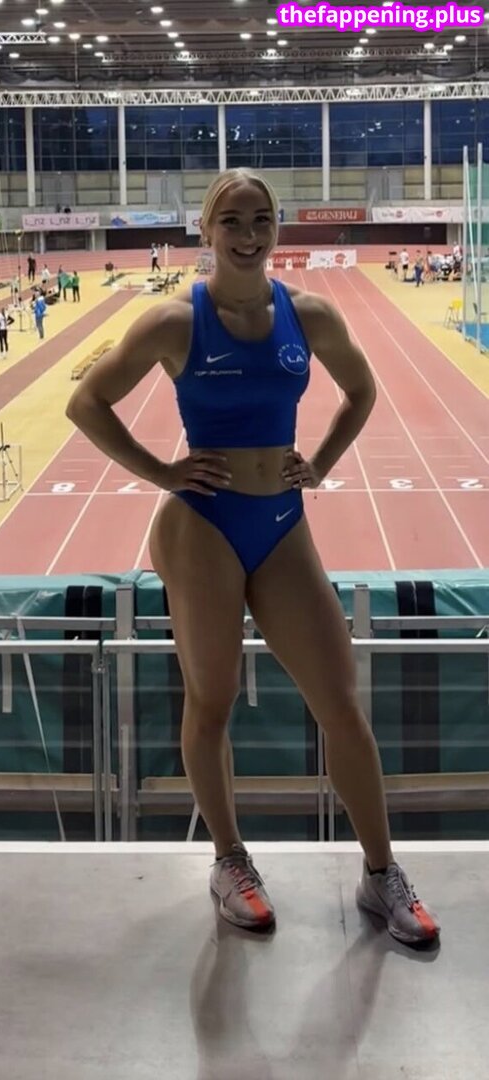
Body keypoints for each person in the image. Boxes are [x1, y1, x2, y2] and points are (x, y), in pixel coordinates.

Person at [65, 167, 439, 947]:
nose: (246, 234)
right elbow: (85, 402)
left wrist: (321, 463)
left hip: (280, 520)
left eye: (260, 219)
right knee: (212, 700)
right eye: (231, 220)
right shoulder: (173, 321)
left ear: (277, 228)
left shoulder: (308, 314)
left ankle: (381, 874)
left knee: (339, 701)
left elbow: (360, 392)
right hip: (202, 524)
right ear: (206, 229)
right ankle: (230, 860)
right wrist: (161, 471)